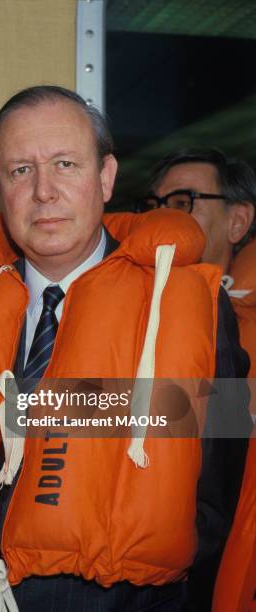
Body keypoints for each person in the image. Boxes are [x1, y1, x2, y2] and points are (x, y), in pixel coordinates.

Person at [0, 88, 250, 612]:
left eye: (65, 164)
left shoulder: (188, 305)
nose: (44, 192)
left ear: (106, 177)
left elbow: (218, 490)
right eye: (20, 170)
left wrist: (45, 406)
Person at [143, 148, 256, 610]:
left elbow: (229, 418)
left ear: (237, 222)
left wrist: (44, 408)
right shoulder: (138, 306)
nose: (162, 218)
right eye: (154, 205)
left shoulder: (244, 319)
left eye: (184, 201)